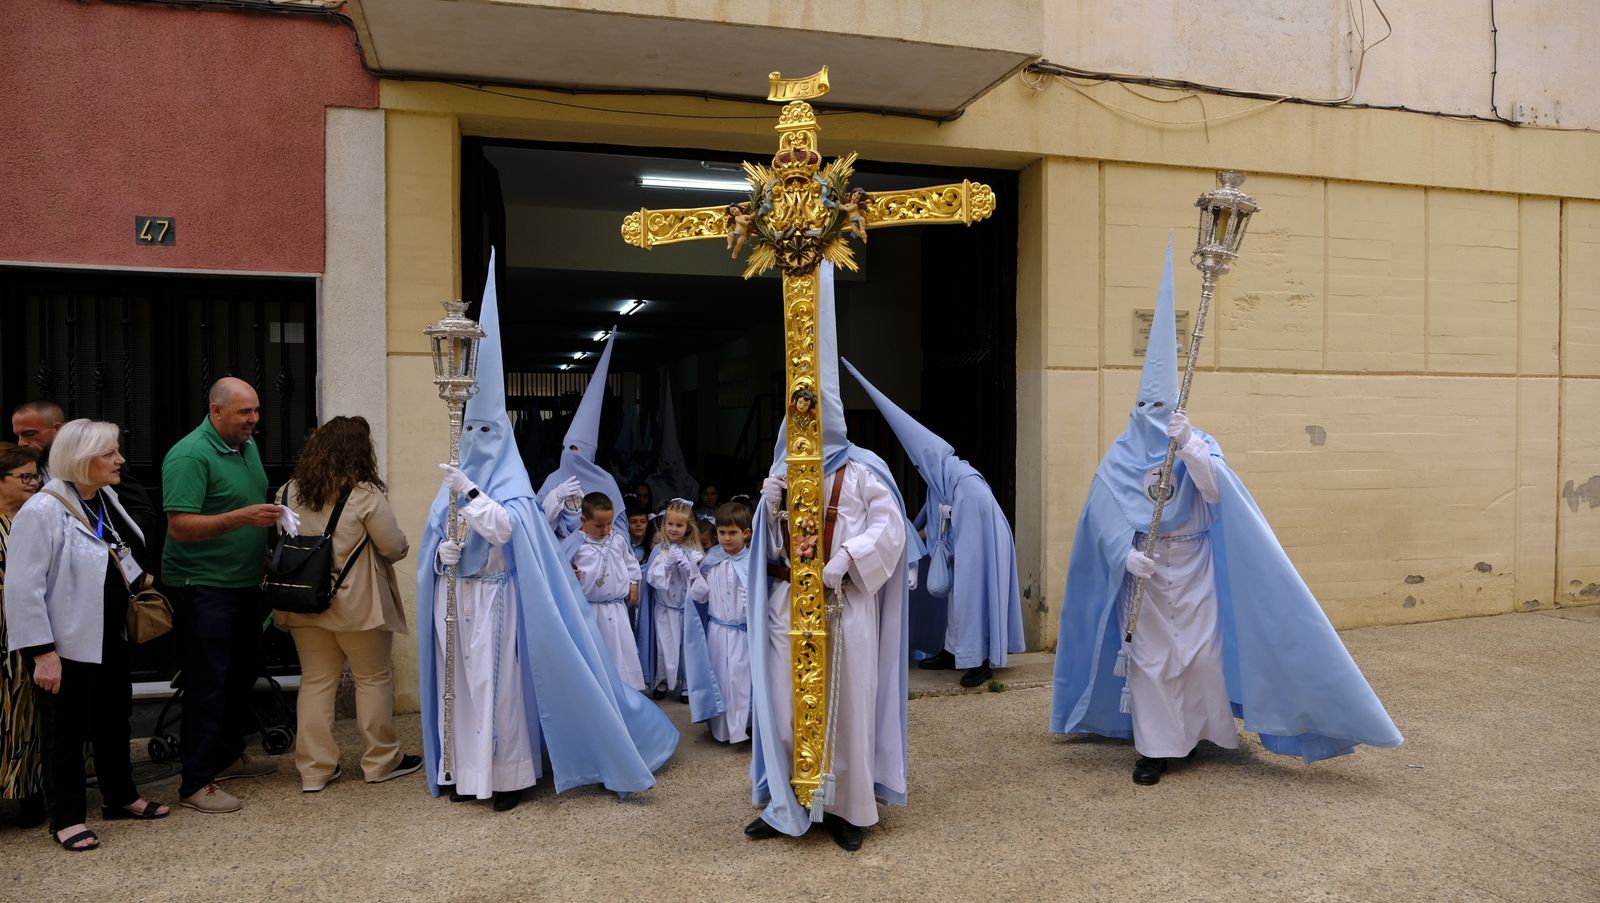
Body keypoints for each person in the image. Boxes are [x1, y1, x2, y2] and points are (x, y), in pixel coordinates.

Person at [1050, 242, 1403, 785]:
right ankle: (1155, 746)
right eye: (1147, 408)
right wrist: (1126, 554)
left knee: (1198, 658)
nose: (1154, 417)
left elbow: (1217, 494)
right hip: (1146, 572)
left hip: (1193, 571)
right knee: (1149, 664)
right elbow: (1102, 516)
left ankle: (1195, 736)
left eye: (1162, 408)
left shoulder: (1196, 440)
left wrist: (1191, 447)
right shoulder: (1120, 453)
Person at [419, 252, 677, 812]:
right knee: (462, 692)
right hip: (457, 603)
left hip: (497, 607)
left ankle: (506, 777)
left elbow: (507, 528)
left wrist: (468, 492)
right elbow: (442, 537)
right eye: (475, 431)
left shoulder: (505, 490)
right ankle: (464, 772)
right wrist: (441, 553)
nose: (481, 440)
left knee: (498, 693)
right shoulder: (454, 483)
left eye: (491, 431)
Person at [745, 262, 910, 853]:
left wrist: (848, 559)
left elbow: (891, 534)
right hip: (789, 600)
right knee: (787, 706)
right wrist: (768, 513)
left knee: (846, 707)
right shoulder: (782, 472)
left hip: (844, 604)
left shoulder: (866, 473)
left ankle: (846, 807)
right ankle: (788, 802)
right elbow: (764, 552)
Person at [4, 421, 170, 850]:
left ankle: (120, 797)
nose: (121, 460)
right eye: (109, 454)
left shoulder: (106, 497)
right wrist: (42, 653)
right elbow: (23, 588)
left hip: (108, 635)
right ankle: (66, 816)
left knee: (114, 718)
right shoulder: (42, 510)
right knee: (65, 730)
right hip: (62, 643)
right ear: (81, 460)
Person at [841, 358, 1025, 689]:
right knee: (952, 600)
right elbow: (929, 525)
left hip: (976, 554)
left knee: (970, 597)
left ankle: (978, 658)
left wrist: (943, 546)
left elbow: (971, 537)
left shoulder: (965, 483)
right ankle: (952, 650)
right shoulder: (940, 482)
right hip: (960, 551)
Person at [162, 377, 290, 813]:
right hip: (202, 587)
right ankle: (196, 782)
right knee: (207, 684)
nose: (253, 420)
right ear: (216, 412)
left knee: (239, 676)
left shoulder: (245, 447)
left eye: (255, 411)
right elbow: (180, 526)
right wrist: (241, 519)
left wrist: (264, 556)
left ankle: (227, 755)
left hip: (243, 585)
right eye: (243, 412)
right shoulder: (190, 455)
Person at [275, 416, 421, 793]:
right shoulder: (364, 495)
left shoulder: (288, 492)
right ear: (359, 451)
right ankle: (380, 761)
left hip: (304, 601)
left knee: (316, 681)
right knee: (372, 679)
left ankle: (314, 770)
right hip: (358, 604)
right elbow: (394, 547)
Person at [13, 401, 158, 542]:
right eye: (18, 435)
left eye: (29, 434)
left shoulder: (104, 466)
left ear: (57, 429)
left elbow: (143, 513)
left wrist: (106, 541)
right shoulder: (21, 472)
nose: (21, 443)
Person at [537, 330, 625, 539]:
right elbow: (536, 522)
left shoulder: (606, 482)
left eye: (576, 448)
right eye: (567, 447)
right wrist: (555, 498)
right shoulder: (554, 480)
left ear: (589, 452)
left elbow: (620, 528)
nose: (570, 453)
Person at [0, 443, 45, 829]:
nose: (33, 483)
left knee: (29, 718)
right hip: (4, 638)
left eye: (35, 476)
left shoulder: (35, 518)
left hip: (31, 636)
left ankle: (32, 791)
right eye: (24, 477)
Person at [641, 499, 719, 715]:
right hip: (665, 608)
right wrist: (666, 565)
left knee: (686, 647)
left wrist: (692, 570)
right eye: (670, 524)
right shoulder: (660, 550)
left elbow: (704, 587)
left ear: (688, 527)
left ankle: (686, 683)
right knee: (664, 645)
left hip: (687, 610)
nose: (673, 529)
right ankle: (662, 680)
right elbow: (652, 580)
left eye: (679, 525)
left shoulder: (696, 551)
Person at [562, 493, 646, 692]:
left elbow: (630, 562)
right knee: (597, 653)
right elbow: (559, 570)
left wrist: (633, 583)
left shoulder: (617, 539)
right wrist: (569, 571)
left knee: (621, 652)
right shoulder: (574, 545)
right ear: (583, 520)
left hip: (616, 609)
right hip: (589, 610)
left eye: (609, 523)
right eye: (599, 525)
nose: (606, 529)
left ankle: (626, 691)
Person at [692, 501, 754, 744]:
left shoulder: (751, 562)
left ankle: (742, 727)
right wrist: (695, 579)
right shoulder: (711, 560)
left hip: (741, 632)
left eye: (732, 533)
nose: (726, 539)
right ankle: (720, 728)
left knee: (739, 679)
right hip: (717, 631)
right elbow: (702, 596)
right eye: (721, 533)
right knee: (718, 677)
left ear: (745, 534)